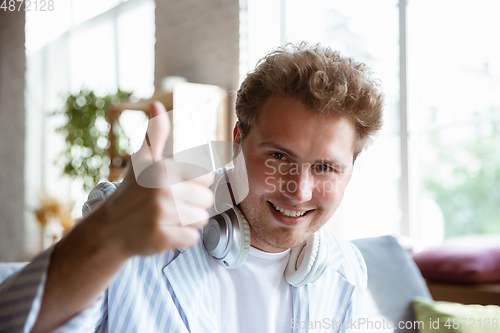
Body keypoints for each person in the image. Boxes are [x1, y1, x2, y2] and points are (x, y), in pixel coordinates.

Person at [0, 42, 384, 332]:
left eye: (325, 167)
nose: (298, 191)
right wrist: (108, 237)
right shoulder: (128, 225)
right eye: (279, 157)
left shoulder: (344, 268)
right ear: (238, 140)